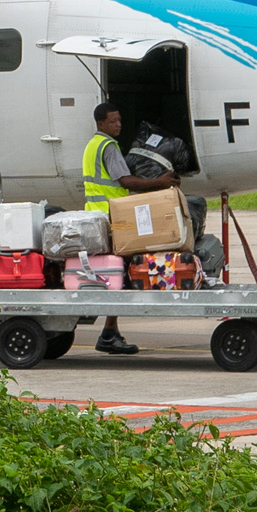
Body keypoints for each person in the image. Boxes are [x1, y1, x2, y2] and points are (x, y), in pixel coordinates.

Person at [80, 101, 171, 356]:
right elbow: (125, 180)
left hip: (95, 215)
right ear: (101, 124)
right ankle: (108, 333)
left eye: (119, 120)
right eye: (113, 121)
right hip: (110, 217)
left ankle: (111, 331)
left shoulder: (92, 145)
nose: (118, 124)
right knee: (120, 273)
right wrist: (159, 182)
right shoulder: (108, 147)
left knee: (114, 272)